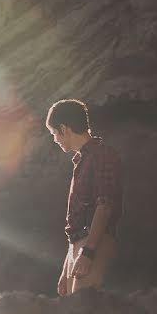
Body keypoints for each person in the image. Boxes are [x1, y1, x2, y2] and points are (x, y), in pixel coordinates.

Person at [46, 99, 123, 295]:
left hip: (95, 243)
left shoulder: (101, 155)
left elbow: (105, 206)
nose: (54, 139)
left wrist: (88, 252)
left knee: (81, 313)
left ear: (64, 128)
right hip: (80, 246)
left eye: (54, 133)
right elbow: (76, 222)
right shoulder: (83, 159)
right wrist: (66, 268)